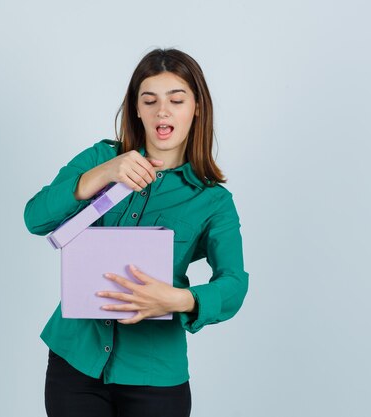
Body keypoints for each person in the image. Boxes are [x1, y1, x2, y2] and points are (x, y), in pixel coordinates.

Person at [23, 48, 249, 417]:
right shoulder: (100, 158)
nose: (163, 110)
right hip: (74, 361)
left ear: (196, 109)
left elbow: (235, 283)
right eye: (150, 100)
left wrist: (178, 299)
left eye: (176, 100)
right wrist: (104, 174)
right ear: (137, 109)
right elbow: (35, 219)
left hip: (155, 375)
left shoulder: (213, 201)